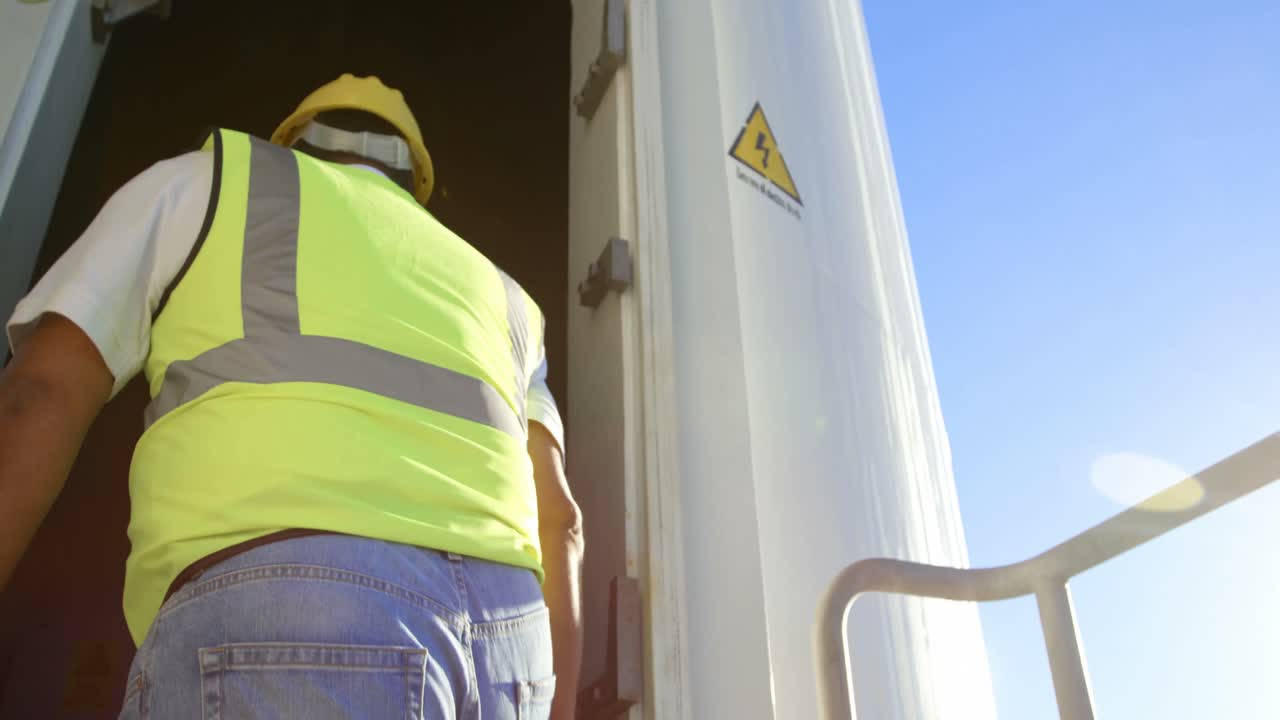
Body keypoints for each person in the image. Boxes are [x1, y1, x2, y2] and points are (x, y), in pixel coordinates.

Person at [0, 74, 583, 719]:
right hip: (510, 650)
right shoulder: (505, 295)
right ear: (416, 182)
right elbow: (560, 520)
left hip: (304, 619)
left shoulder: (211, 183)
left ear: (293, 143)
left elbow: (41, 390)